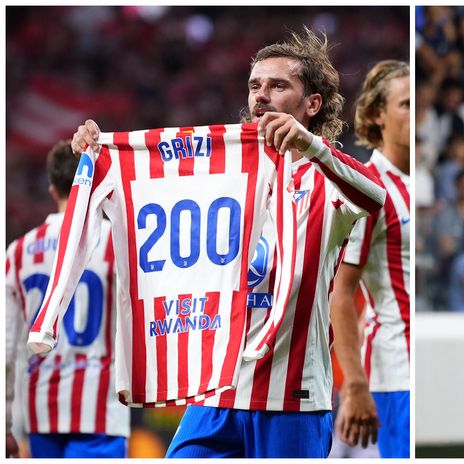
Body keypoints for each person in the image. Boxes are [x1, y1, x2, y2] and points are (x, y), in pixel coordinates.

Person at [70, 27, 386, 458]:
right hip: (215, 393)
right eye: (255, 85)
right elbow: (140, 214)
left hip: (290, 399)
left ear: (312, 104)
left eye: (278, 85)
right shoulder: (218, 181)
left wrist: (312, 147)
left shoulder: (325, 182)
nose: (262, 95)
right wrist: (98, 155)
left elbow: (375, 196)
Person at [6, 142, 129, 458]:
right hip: (102, 406)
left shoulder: (17, 254)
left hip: (39, 407)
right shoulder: (117, 243)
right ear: (92, 184)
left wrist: (5, 421)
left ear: (52, 189)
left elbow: (6, 345)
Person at [329, 60, 411, 458]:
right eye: (406, 104)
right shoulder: (368, 187)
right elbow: (341, 294)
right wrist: (354, 386)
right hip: (396, 374)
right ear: (378, 115)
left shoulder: (418, 184)